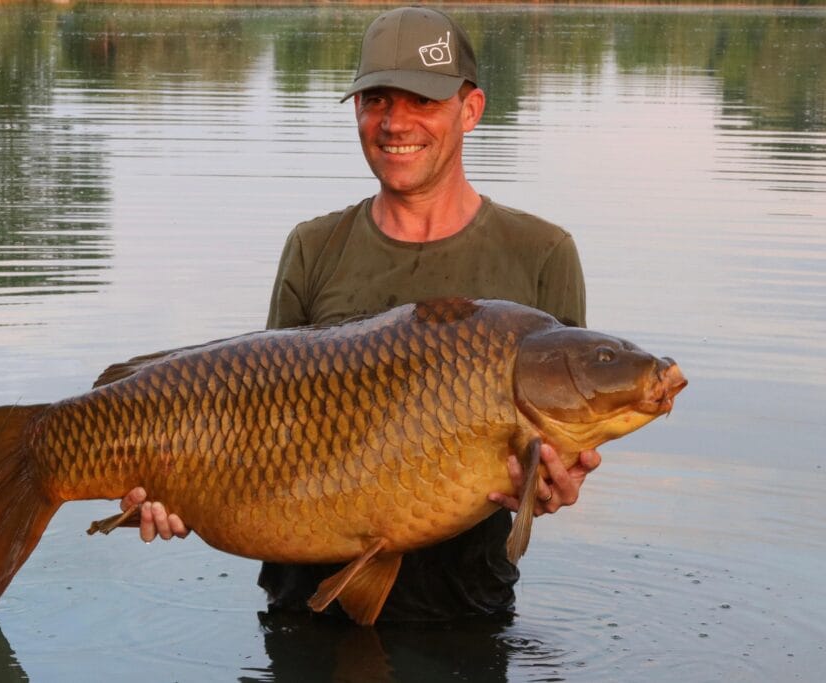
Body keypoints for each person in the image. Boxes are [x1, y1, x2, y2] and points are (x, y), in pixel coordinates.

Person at [120, 6, 601, 621]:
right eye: (374, 99)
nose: (394, 122)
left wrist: (555, 486)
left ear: (471, 109)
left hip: (462, 602)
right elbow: (256, 421)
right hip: (305, 594)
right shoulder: (313, 247)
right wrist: (179, 484)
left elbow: (559, 444)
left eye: (421, 100)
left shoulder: (543, 255)